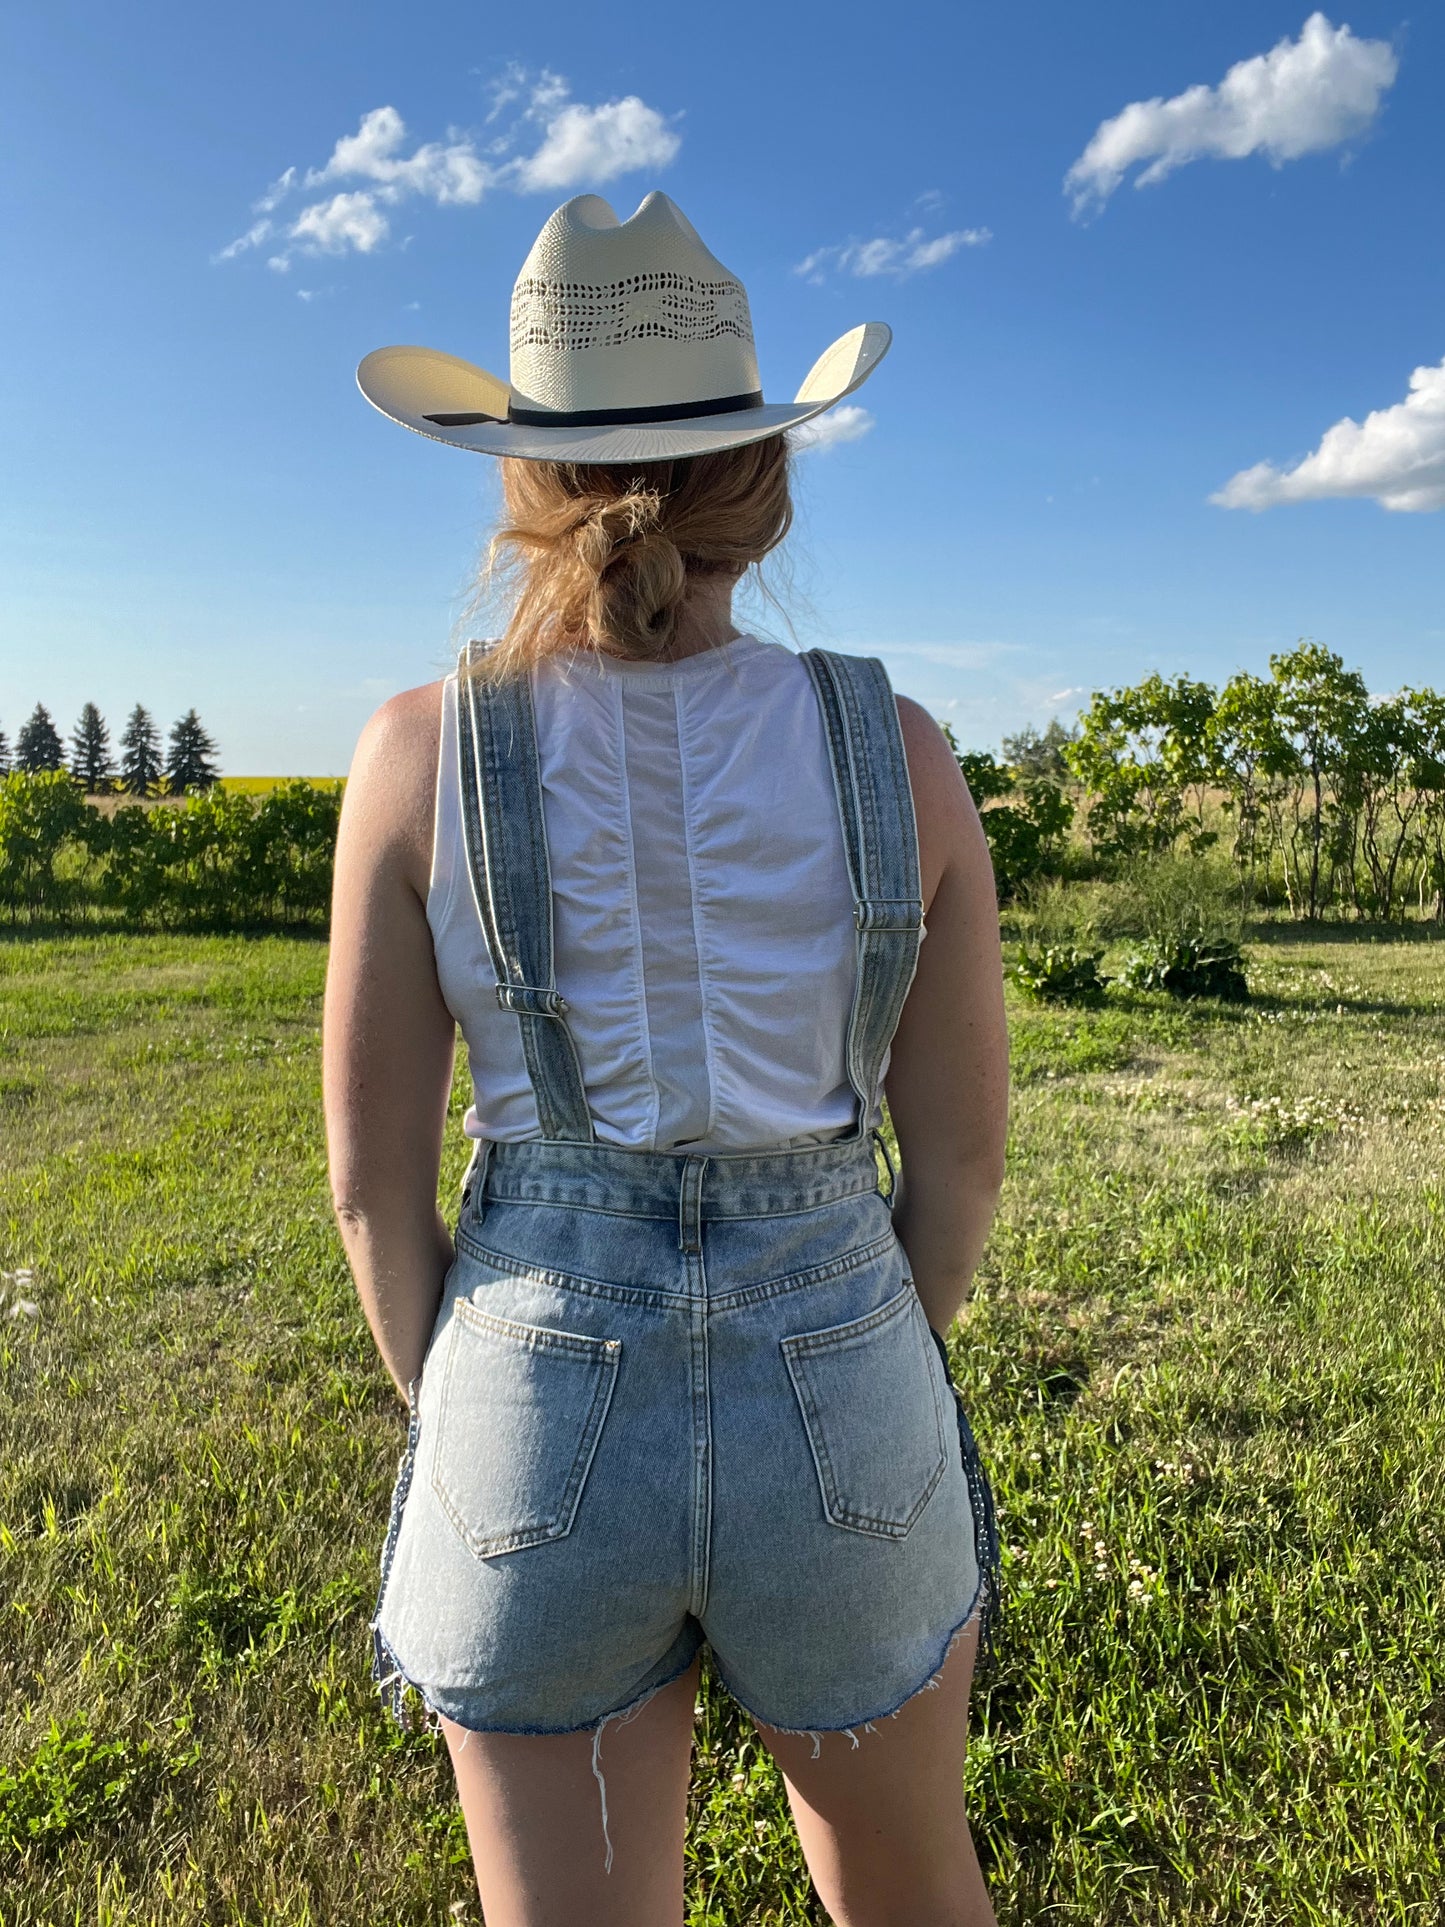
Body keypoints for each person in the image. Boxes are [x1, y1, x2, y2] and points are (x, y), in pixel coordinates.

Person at [323, 189, 1009, 1927]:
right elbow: (967, 1164)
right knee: (909, 1889)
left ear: (522, 482)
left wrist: (485, 1409)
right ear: (763, 490)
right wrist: (848, 1358)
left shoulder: (417, 753)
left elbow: (366, 1186)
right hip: (842, 1369)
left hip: (532, 1387)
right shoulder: (900, 746)